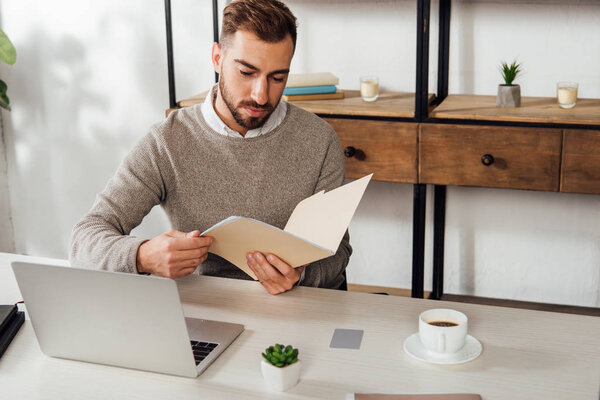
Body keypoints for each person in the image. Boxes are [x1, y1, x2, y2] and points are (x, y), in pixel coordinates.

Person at [69, 0, 351, 294]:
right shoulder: (167, 142)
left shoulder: (319, 139)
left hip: (297, 307)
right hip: (209, 306)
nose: (261, 94)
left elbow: (338, 253)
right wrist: (142, 256)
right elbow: (84, 240)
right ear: (217, 58)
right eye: (246, 72)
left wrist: (301, 276)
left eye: (277, 77)